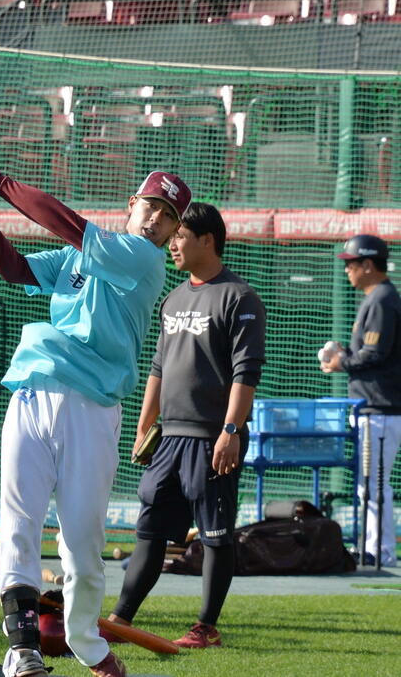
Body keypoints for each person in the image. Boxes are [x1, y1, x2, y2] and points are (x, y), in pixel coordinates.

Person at [0, 157, 191, 677]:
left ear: (174, 231)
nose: (155, 220)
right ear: (133, 204)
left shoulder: (141, 259)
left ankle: (86, 641)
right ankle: (22, 648)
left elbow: (67, 223)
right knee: (20, 522)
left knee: (82, 542)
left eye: (168, 216)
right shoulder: (80, 256)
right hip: (33, 391)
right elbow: (16, 270)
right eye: (151, 205)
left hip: (92, 408)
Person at [105, 202, 266, 648]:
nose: (171, 243)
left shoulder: (240, 297)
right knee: (150, 531)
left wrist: (231, 432)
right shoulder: (174, 299)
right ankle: (119, 619)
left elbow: (245, 372)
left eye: (180, 235)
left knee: (215, 536)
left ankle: (206, 628)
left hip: (214, 437)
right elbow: (158, 368)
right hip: (169, 439)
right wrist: (144, 426)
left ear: (207, 240)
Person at [320, 234, 401, 568]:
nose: (347, 271)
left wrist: (342, 361)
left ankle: (379, 552)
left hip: (380, 409)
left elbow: (376, 354)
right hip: (374, 408)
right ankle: (375, 549)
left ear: (368, 265)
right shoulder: (378, 297)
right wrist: (346, 354)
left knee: (373, 486)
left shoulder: (382, 298)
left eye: (351, 264)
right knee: (369, 485)